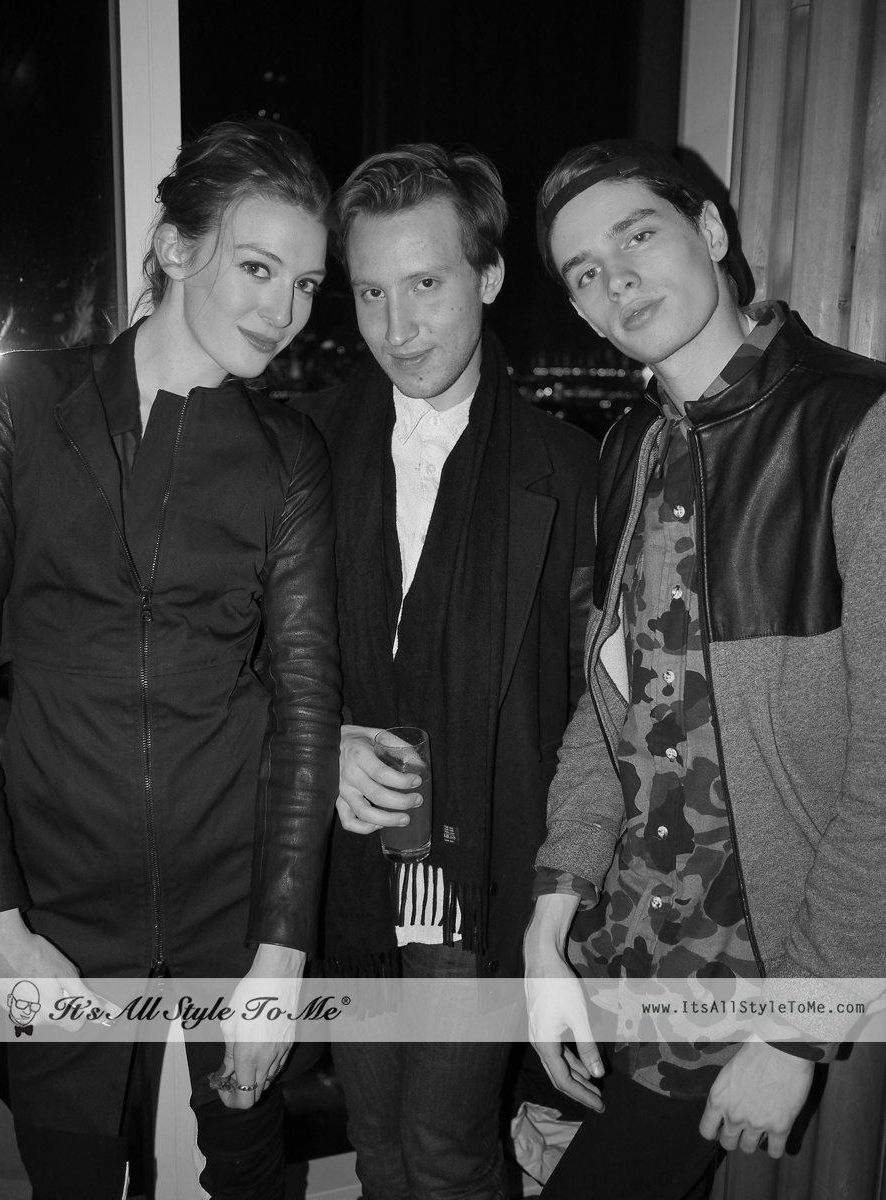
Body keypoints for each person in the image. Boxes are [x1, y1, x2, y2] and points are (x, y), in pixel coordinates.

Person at [0, 117, 341, 1199]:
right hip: (52, 898)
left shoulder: (287, 454)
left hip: (234, 893)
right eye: (258, 267)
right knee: (73, 1172)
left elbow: (306, 703)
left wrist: (280, 956)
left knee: (248, 1172)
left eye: (306, 284)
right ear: (177, 248)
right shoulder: (21, 405)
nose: (284, 310)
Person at [524, 137, 886, 1199]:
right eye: (586, 272)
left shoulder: (857, 428)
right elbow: (611, 707)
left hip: (745, 972)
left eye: (638, 235)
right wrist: (552, 911)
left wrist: (799, 1026)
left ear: (712, 231)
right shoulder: (629, 448)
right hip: (616, 946)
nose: (618, 280)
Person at [290, 143, 598, 1198]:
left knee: (447, 1149)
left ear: (490, 275)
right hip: (348, 871)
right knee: (376, 1142)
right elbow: (243, 650)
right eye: (372, 292)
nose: (398, 326)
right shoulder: (302, 443)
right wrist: (318, 745)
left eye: (426, 283)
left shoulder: (571, 470)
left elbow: (593, 708)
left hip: (482, 864)